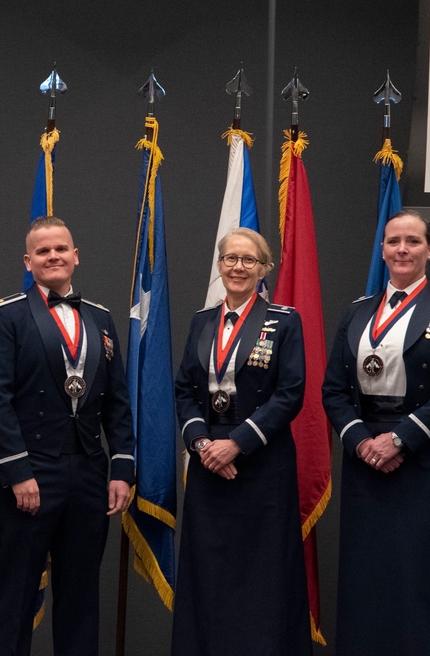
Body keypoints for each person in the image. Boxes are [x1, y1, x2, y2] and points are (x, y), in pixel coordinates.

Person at [0, 216, 134, 656]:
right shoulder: (4, 314)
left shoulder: (100, 318)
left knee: (81, 595)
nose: (53, 257)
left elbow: (117, 399)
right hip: (30, 471)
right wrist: (17, 471)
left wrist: (121, 466)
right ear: (29, 261)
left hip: (88, 471)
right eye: (43, 252)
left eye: (61, 249)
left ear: (76, 256)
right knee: (16, 591)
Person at [322, 210, 430, 655]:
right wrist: (360, 441)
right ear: (383, 249)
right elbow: (333, 390)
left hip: (424, 458)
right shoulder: (356, 312)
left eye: (413, 241)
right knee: (365, 575)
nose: (403, 250)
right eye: (394, 241)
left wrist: (401, 439)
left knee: (419, 575)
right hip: (365, 461)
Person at [171, 227, 311, 656]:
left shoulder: (284, 321)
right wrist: (200, 444)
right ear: (219, 265)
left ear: (264, 268)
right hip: (209, 466)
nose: (238, 267)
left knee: (261, 578)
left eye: (249, 260)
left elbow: (291, 393)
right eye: (230, 258)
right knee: (208, 575)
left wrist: (237, 443)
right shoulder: (202, 321)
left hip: (261, 467)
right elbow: (184, 390)